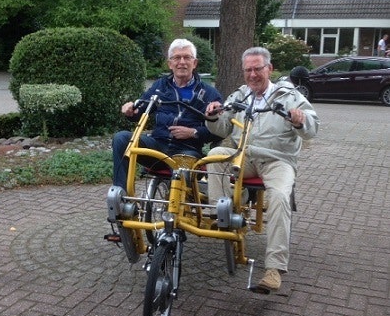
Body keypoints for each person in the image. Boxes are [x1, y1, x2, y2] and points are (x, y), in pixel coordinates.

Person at [205, 47, 320, 293]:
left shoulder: (288, 95)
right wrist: (213, 116)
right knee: (214, 155)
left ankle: (274, 270)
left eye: (258, 68)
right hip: (243, 156)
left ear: (269, 68)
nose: (253, 74)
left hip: (278, 160)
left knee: (279, 197)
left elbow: (312, 126)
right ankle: (221, 213)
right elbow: (222, 129)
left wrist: (301, 120)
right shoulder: (240, 95)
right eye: (248, 70)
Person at [112, 38, 222, 191]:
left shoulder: (210, 94)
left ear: (194, 63)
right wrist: (131, 110)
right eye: (177, 58)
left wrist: (193, 133)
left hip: (187, 150)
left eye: (187, 57)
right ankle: (120, 194)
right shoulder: (160, 86)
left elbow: (219, 132)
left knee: (183, 172)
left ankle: (179, 209)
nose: (181, 62)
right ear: (170, 64)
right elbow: (141, 109)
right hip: (157, 146)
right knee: (121, 138)